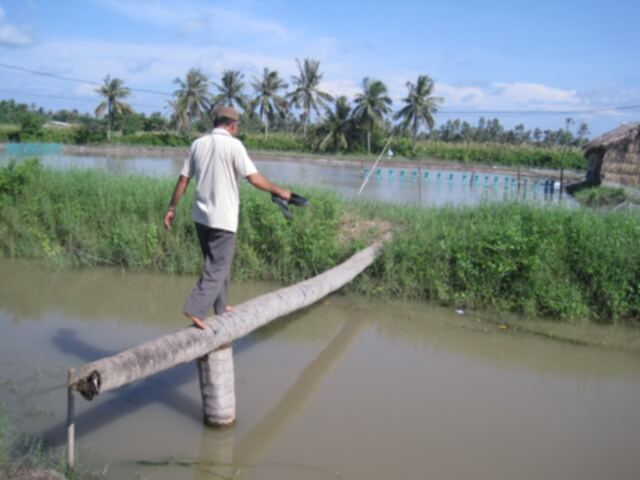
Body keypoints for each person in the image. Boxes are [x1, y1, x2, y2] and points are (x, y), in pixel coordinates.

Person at [164, 106, 291, 330]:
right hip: (223, 218)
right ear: (233, 126)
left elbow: (183, 180)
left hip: (201, 217)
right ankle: (195, 308)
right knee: (218, 267)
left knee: (216, 264)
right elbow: (254, 178)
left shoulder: (197, 144)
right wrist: (279, 191)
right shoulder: (234, 146)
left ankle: (221, 307)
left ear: (216, 123)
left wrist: (172, 207)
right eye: (237, 127)